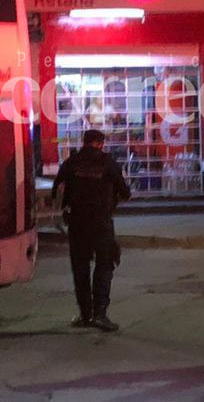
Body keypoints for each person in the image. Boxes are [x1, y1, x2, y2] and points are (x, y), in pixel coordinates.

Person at [53, 129, 131, 332]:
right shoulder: (109, 163)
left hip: (77, 224)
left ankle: (85, 315)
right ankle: (100, 314)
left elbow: (57, 190)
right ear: (101, 144)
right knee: (105, 265)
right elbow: (125, 192)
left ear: (84, 142)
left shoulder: (71, 163)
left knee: (80, 268)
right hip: (101, 223)